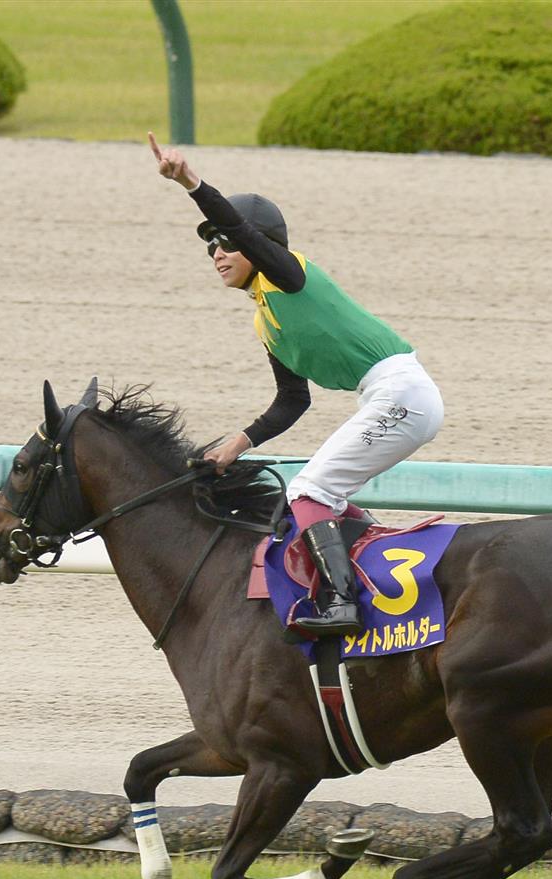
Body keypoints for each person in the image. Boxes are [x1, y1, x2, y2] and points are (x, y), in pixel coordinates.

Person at [148, 132, 444, 637]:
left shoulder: (289, 275)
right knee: (316, 497)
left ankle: (340, 603)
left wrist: (190, 182)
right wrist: (235, 446)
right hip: (390, 396)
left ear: (256, 248)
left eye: (226, 243)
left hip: (401, 393)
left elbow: (239, 225)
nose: (218, 254)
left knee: (309, 489)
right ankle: (370, 567)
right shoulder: (266, 321)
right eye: (211, 249)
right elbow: (292, 400)